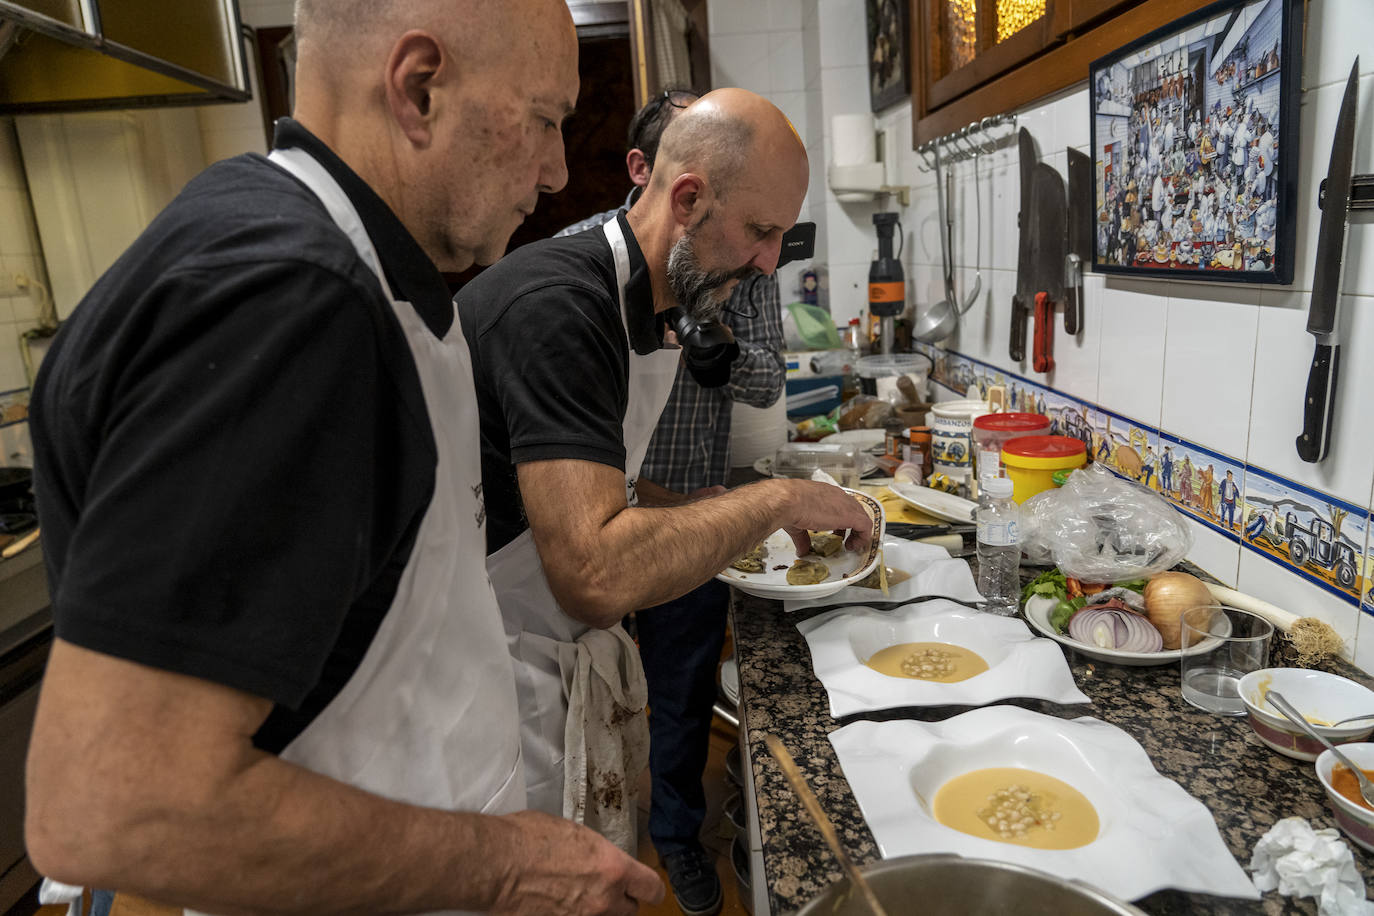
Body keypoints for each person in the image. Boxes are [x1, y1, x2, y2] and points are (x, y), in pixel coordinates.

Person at [23, 2, 667, 914]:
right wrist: (506, 865)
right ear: (419, 89)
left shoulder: (357, 273)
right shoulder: (291, 301)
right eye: (544, 119)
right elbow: (114, 806)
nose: (559, 170)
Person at [457, 87, 871, 860]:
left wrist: (687, 508)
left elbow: (585, 481)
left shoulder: (645, 304)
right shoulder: (560, 308)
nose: (770, 261)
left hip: (541, 642)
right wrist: (773, 500)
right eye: (760, 231)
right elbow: (593, 569)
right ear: (686, 198)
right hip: (489, 664)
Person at [556, 89, 786, 916]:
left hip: (690, 512)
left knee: (682, 693)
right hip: (587, 522)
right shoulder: (576, 263)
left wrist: (716, 358)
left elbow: (768, 378)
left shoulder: (743, 261)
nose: (767, 249)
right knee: (578, 697)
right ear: (648, 174)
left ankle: (680, 840)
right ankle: (582, 850)